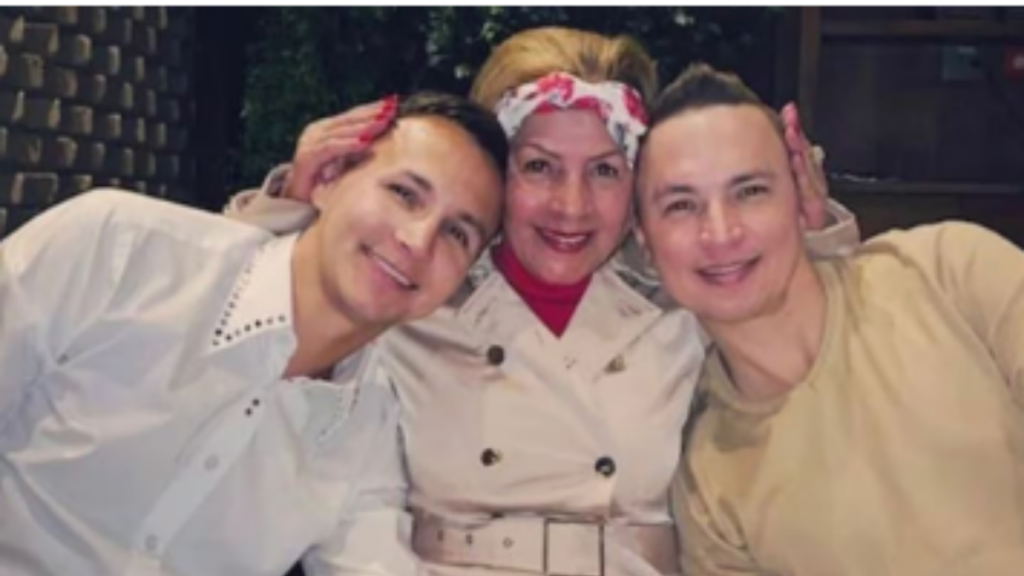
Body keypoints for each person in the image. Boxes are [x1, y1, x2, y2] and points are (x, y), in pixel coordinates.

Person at [228, 27, 859, 576]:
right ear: (494, 177)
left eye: (604, 170)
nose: (571, 206)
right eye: (539, 167)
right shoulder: (414, 296)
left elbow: (821, 367)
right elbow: (241, 367)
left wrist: (808, 234)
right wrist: (296, 210)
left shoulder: (683, 304)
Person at [0, 92, 507, 576]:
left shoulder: (367, 431)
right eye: (404, 193)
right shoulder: (119, 250)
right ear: (328, 178)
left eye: (457, 234)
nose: (418, 240)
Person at [635, 63, 1024, 576]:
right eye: (682, 205)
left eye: (749, 191)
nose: (721, 232)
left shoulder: (948, 272)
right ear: (644, 241)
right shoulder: (709, 488)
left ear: (802, 194)